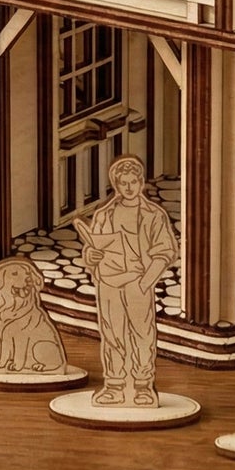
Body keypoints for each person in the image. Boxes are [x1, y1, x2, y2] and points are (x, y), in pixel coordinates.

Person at [76, 154, 176, 407]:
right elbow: (90, 251)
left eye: (134, 181)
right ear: (116, 185)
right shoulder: (104, 213)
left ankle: (143, 385)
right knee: (111, 334)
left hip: (137, 282)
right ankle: (114, 385)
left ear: (141, 182)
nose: (129, 187)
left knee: (142, 334)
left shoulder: (154, 215)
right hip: (109, 282)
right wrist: (93, 255)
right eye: (124, 183)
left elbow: (165, 251)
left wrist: (146, 282)